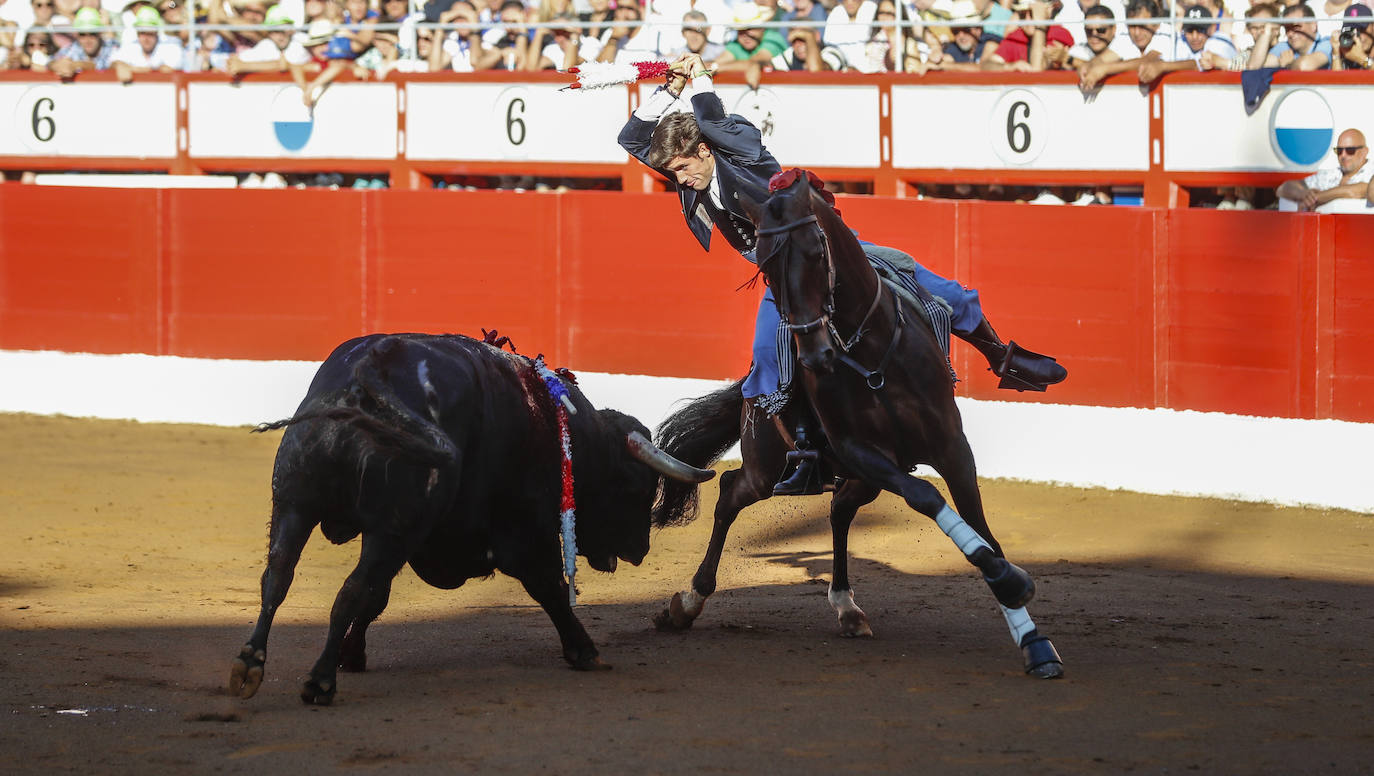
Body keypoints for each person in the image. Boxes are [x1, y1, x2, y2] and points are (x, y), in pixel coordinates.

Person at [616, 52, 1068, 494]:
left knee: (940, 289)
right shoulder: (689, 170)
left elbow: (712, 122)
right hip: (783, 274)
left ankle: (1003, 358)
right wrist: (669, 88)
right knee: (768, 361)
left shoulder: (739, 149)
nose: (679, 180)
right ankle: (805, 451)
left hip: (826, 250)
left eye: (681, 168)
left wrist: (700, 80)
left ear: (701, 150)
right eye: (672, 173)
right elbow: (632, 138)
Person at [1275, 128, 1372, 211]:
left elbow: (1363, 190)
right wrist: (1303, 194)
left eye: (1350, 150)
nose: (1343, 155)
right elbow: (1283, 188)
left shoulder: (1371, 172)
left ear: (1364, 152)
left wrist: (1317, 198)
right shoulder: (1330, 174)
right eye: (1339, 151)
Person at [1135, 4, 1235, 81]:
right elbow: (1161, 59)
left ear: (1211, 28)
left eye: (1201, 30)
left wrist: (1163, 66)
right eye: (1190, 31)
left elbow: (1198, 63)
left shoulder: (1221, 40)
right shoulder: (1180, 41)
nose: (1195, 37)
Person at [981, 0, 1075, 71]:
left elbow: (1036, 70)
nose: (1026, 19)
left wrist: (1040, 23)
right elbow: (986, 65)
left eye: (1032, 13)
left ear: (1048, 12)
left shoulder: (1058, 35)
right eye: (1022, 14)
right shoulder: (1017, 37)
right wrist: (1010, 66)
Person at [111, 5, 181, 79]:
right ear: (137, 33)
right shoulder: (131, 46)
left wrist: (132, 69)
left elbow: (168, 69)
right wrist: (120, 66)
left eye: (150, 33)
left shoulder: (170, 45)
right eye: (142, 32)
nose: (146, 38)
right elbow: (114, 62)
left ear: (157, 32)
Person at [1256, 2, 1331, 70]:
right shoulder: (1285, 46)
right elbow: (1255, 66)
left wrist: (1288, 65)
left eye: (1296, 27)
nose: (1290, 34)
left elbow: (1305, 66)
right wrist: (1267, 30)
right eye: (1287, 28)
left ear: (1313, 26)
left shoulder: (1326, 43)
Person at [714, 2, 787, 70]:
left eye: (750, 28)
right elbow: (718, 62)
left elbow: (753, 64)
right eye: (741, 30)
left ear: (762, 28)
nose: (745, 35)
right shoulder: (736, 44)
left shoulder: (773, 39)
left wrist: (716, 68)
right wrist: (713, 67)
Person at [50, 6, 115, 76]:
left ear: (100, 33)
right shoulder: (73, 47)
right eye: (82, 34)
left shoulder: (111, 46)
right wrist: (57, 65)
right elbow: (49, 61)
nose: (87, 40)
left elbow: (103, 66)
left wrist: (77, 65)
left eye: (93, 34)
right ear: (76, 34)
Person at [1331, 2, 1374, 69]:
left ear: (1373, 26)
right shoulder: (1346, 52)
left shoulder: (1356, 57)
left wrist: (1363, 60)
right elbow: (1337, 79)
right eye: (1352, 30)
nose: (1357, 36)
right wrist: (1336, 55)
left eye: (1361, 29)